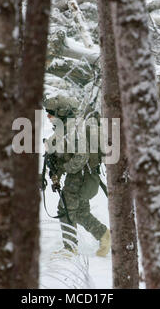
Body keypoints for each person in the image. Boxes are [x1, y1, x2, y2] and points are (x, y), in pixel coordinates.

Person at [42, 95, 111, 257]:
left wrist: (65, 168)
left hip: (80, 175)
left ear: (62, 112)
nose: (48, 116)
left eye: (51, 113)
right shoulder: (65, 128)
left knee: (65, 209)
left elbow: (81, 156)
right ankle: (104, 235)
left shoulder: (74, 129)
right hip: (82, 175)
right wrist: (56, 171)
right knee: (80, 212)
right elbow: (60, 155)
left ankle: (70, 248)